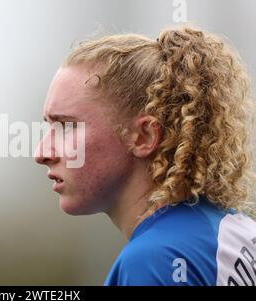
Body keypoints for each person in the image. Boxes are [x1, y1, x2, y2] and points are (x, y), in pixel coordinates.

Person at [34, 26, 256, 286]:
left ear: (144, 137)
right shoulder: (238, 233)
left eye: (67, 127)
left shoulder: (155, 260)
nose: (42, 153)